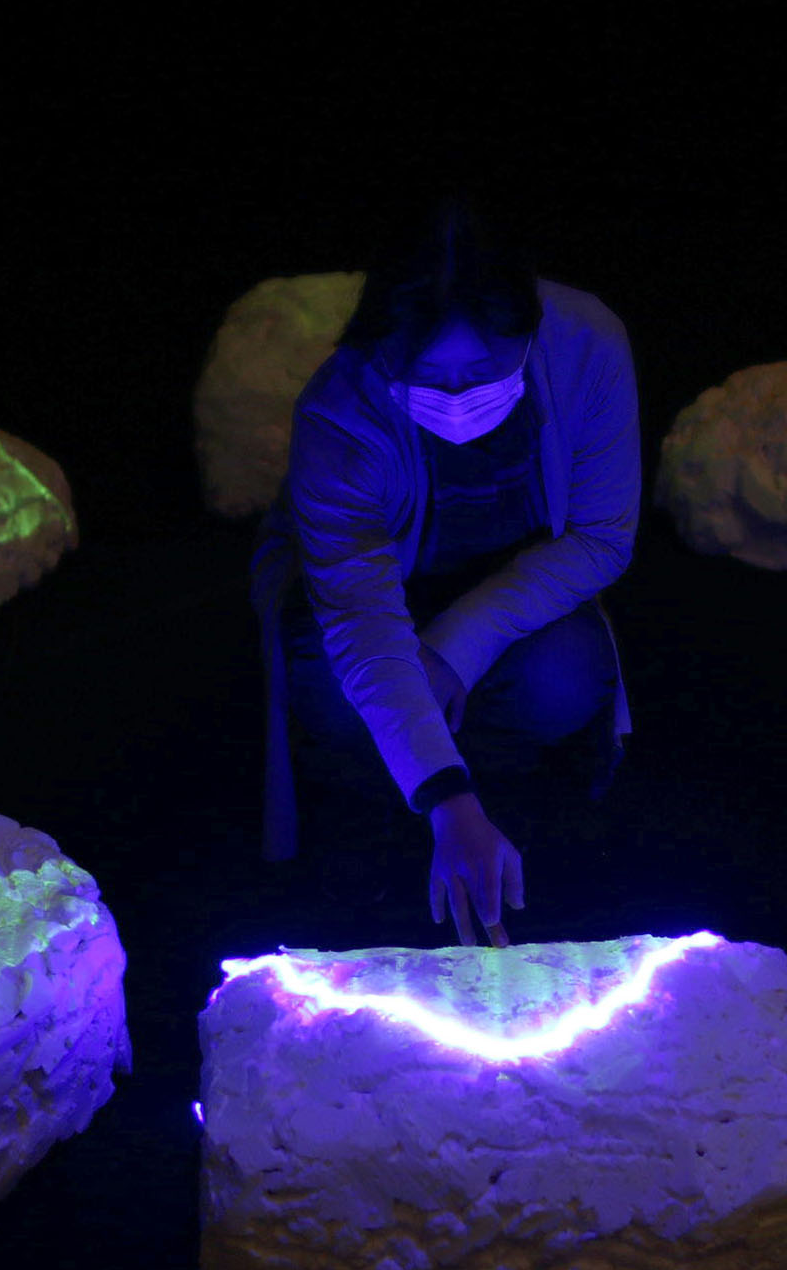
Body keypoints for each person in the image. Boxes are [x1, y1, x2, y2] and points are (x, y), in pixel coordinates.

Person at [251, 197, 639, 945]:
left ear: (526, 330)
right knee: (331, 690)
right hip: (376, 598)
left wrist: (455, 648)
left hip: (517, 598)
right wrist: (446, 796)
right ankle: (412, 793)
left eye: (485, 370)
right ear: (387, 345)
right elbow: (360, 613)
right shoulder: (338, 411)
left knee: (565, 676)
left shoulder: (587, 345)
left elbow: (600, 538)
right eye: (430, 375)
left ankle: (467, 777)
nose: (459, 397)